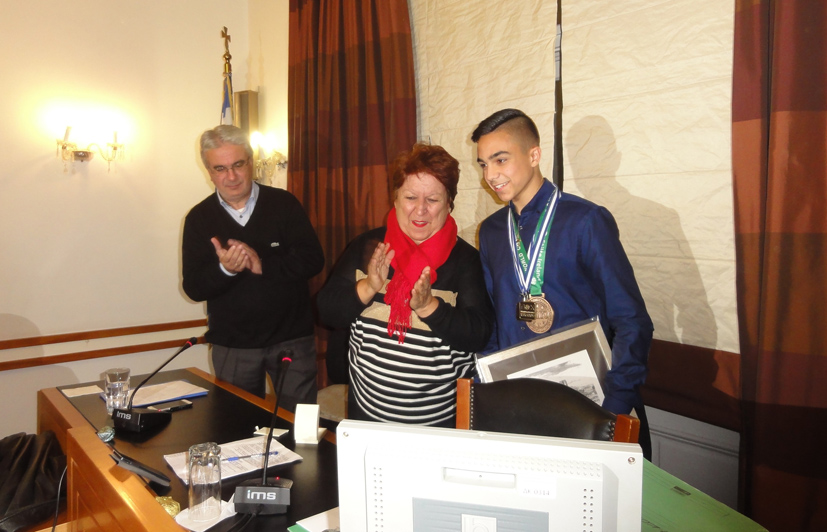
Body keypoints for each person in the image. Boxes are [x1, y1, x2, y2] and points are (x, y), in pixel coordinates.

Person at [472, 109, 654, 458]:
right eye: (483, 164)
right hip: (521, 408)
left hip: (591, 408)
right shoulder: (492, 232)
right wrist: (488, 386)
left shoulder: (586, 221)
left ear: (534, 155)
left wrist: (612, 410)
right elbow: (495, 320)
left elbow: (632, 320)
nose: (490, 175)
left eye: (500, 160)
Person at [317, 143, 494, 428]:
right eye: (411, 197)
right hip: (367, 419)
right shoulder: (367, 247)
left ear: (449, 203)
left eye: (433, 199)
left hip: (437, 425)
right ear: (396, 199)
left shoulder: (466, 261)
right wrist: (368, 286)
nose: (420, 210)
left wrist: (429, 307)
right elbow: (327, 312)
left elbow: (479, 335)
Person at [182, 125, 324, 412]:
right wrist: (225, 270)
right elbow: (194, 287)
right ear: (209, 172)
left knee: (300, 426)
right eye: (220, 168)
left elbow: (313, 259)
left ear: (251, 162)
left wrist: (262, 265)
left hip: (291, 342)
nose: (231, 176)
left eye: (238, 165)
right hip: (233, 346)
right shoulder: (198, 218)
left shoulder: (283, 203)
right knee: (237, 426)